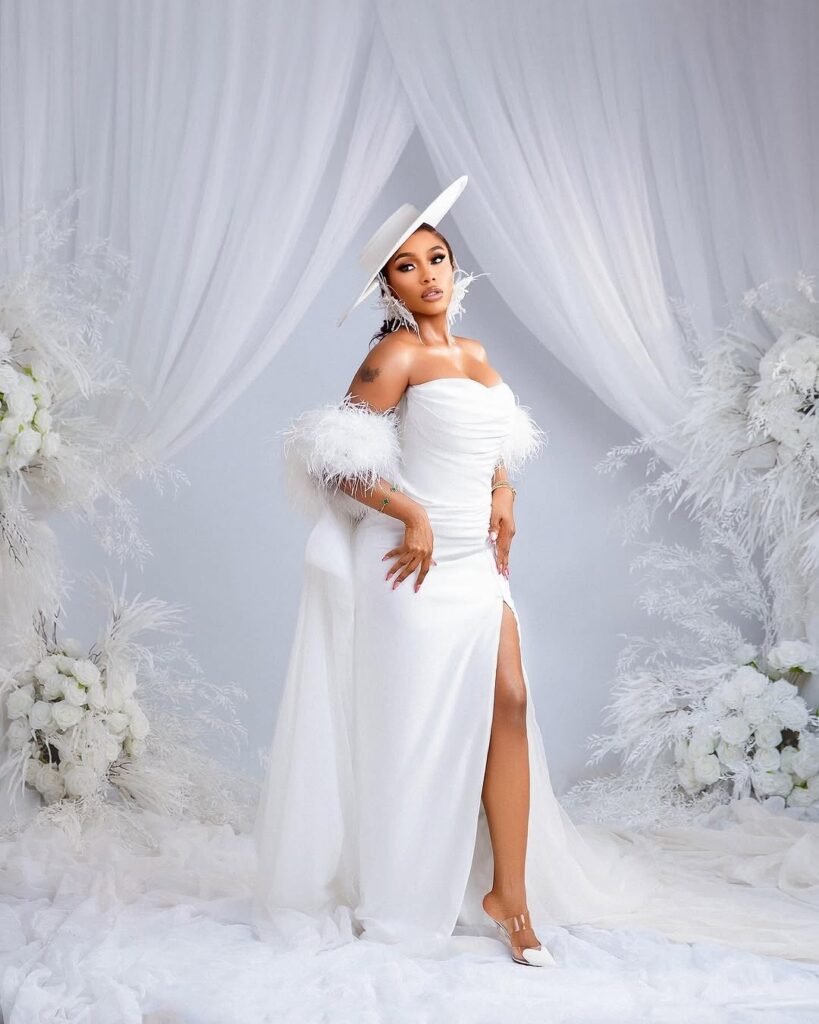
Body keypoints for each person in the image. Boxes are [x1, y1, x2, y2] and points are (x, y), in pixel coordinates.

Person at [253, 176, 819, 967]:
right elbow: (333, 461)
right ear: (388, 288)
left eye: (436, 257)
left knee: (510, 703)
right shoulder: (394, 355)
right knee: (417, 731)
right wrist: (410, 513)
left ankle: (509, 895)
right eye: (407, 267)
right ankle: (408, 883)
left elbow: (494, 445)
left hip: (475, 563)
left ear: (454, 266)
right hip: (410, 568)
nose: (428, 274)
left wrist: (505, 492)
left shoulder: (473, 355)